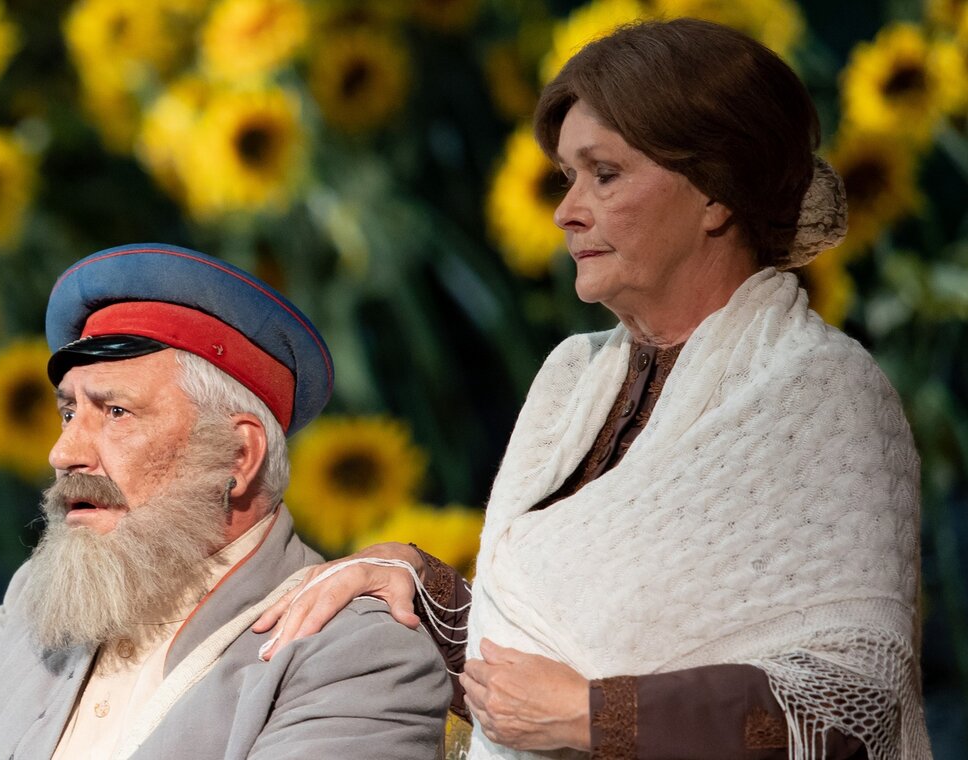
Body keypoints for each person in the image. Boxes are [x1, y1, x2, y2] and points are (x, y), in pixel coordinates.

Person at [254, 19, 928, 760]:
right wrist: (416, 584)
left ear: (716, 193)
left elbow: (849, 703)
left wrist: (597, 715)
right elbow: (540, 670)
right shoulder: (574, 377)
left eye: (603, 174)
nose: (565, 210)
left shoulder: (820, 390)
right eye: (567, 177)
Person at [0, 243, 450, 760]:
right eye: (70, 412)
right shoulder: (47, 596)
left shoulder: (355, 649)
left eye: (117, 412)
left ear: (238, 457)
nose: (63, 452)